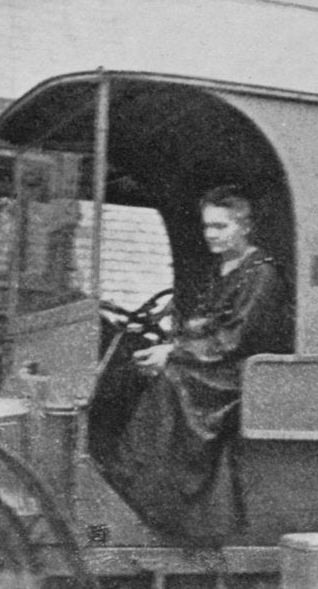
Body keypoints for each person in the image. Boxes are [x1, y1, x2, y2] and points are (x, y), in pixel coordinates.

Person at [96, 184, 292, 544]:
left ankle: (164, 503)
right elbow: (205, 326)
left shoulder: (262, 274)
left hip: (238, 373)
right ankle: (125, 483)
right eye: (207, 227)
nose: (211, 235)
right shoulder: (223, 270)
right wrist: (171, 345)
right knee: (130, 373)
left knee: (171, 380)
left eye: (221, 227)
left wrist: (173, 353)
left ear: (245, 226)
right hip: (211, 363)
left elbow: (234, 339)